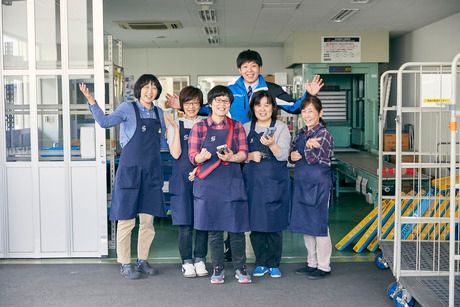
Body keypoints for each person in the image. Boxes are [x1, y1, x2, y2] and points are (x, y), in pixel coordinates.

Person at [79, 74, 167, 280]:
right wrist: (92, 101)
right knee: (126, 220)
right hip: (129, 171)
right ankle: (125, 263)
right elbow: (104, 122)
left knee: (147, 221)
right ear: (139, 90)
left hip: (152, 172)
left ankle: (142, 260)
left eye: (154, 87)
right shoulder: (128, 109)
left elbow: (164, 142)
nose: (150, 91)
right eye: (146, 87)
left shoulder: (160, 113)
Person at [188, 85, 251, 284]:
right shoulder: (199, 127)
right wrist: (200, 157)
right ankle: (217, 268)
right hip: (208, 184)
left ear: (230, 104)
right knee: (214, 229)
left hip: (232, 182)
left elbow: (244, 153)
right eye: (218, 100)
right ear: (210, 104)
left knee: (236, 228)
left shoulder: (237, 126)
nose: (222, 104)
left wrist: (233, 157)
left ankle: (241, 268)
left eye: (226, 101)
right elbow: (192, 156)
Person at [165, 49, 323, 124]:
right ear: (239, 70)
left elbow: (294, 108)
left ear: (259, 67)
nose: (250, 70)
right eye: (245, 67)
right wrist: (182, 106)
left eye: (253, 66)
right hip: (235, 139)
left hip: (263, 139)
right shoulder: (230, 91)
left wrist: (309, 95)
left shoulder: (272, 90)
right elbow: (208, 108)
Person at [243, 91, 291, 278]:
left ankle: (274, 263)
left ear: (273, 108)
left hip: (275, 182)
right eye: (258, 105)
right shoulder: (246, 128)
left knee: (274, 224)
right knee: (256, 224)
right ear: (253, 108)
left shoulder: (280, 128)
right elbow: (239, 155)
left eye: (266, 105)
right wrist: (249, 156)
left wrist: (272, 145)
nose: (262, 109)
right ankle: (261, 262)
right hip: (253, 183)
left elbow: (283, 155)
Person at [164, 86, 208, 278]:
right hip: (182, 179)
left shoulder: (207, 124)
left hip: (204, 178)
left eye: (196, 103)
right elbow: (175, 153)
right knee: (185, 223)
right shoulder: (176, 123)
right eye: (188, 103)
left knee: (203, 221)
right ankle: (186, 261)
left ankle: (200, 258)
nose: (192, 107)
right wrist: (173, 128)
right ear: (182, 104)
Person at [288, 96, 334, 280]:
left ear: (320, 113)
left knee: (319, 225)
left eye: (311, 111)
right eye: (304, 111)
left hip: (318, 184)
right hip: (302, 182)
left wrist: (306, 148)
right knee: (307, 224)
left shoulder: (324, 135)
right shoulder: (301, 133)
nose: (306, 115)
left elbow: (314, 159)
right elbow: (292, 155)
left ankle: (324, 266)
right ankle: (311, 263)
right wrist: (293, 155)